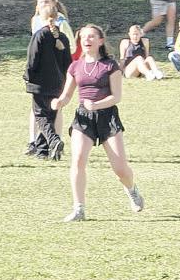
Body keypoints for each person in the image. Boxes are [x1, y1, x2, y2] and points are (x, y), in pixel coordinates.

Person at [50, 24, 144, 222]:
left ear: (101, 41)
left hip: (107, 117)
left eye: (92, 36)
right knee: (77, 161)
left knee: (120, 169)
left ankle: (131, 189)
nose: (87, 40)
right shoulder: (75, 66)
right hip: (83, 119)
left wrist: (97, 104)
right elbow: (67, 95)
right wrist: (59, 102)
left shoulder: (110, 65)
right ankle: (79, 209)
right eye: (84, 37)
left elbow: (116, 96)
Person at [23, 0, 72, 159]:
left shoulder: (40, 35)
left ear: (42, 18)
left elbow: (32, 59)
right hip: (58, 83)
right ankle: (43, 151)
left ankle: (53, 140)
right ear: (57, 17)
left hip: (40, 83)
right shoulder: (63, 38)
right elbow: (68, 63)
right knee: (51, 115)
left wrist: (28, 77)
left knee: (40, 115)